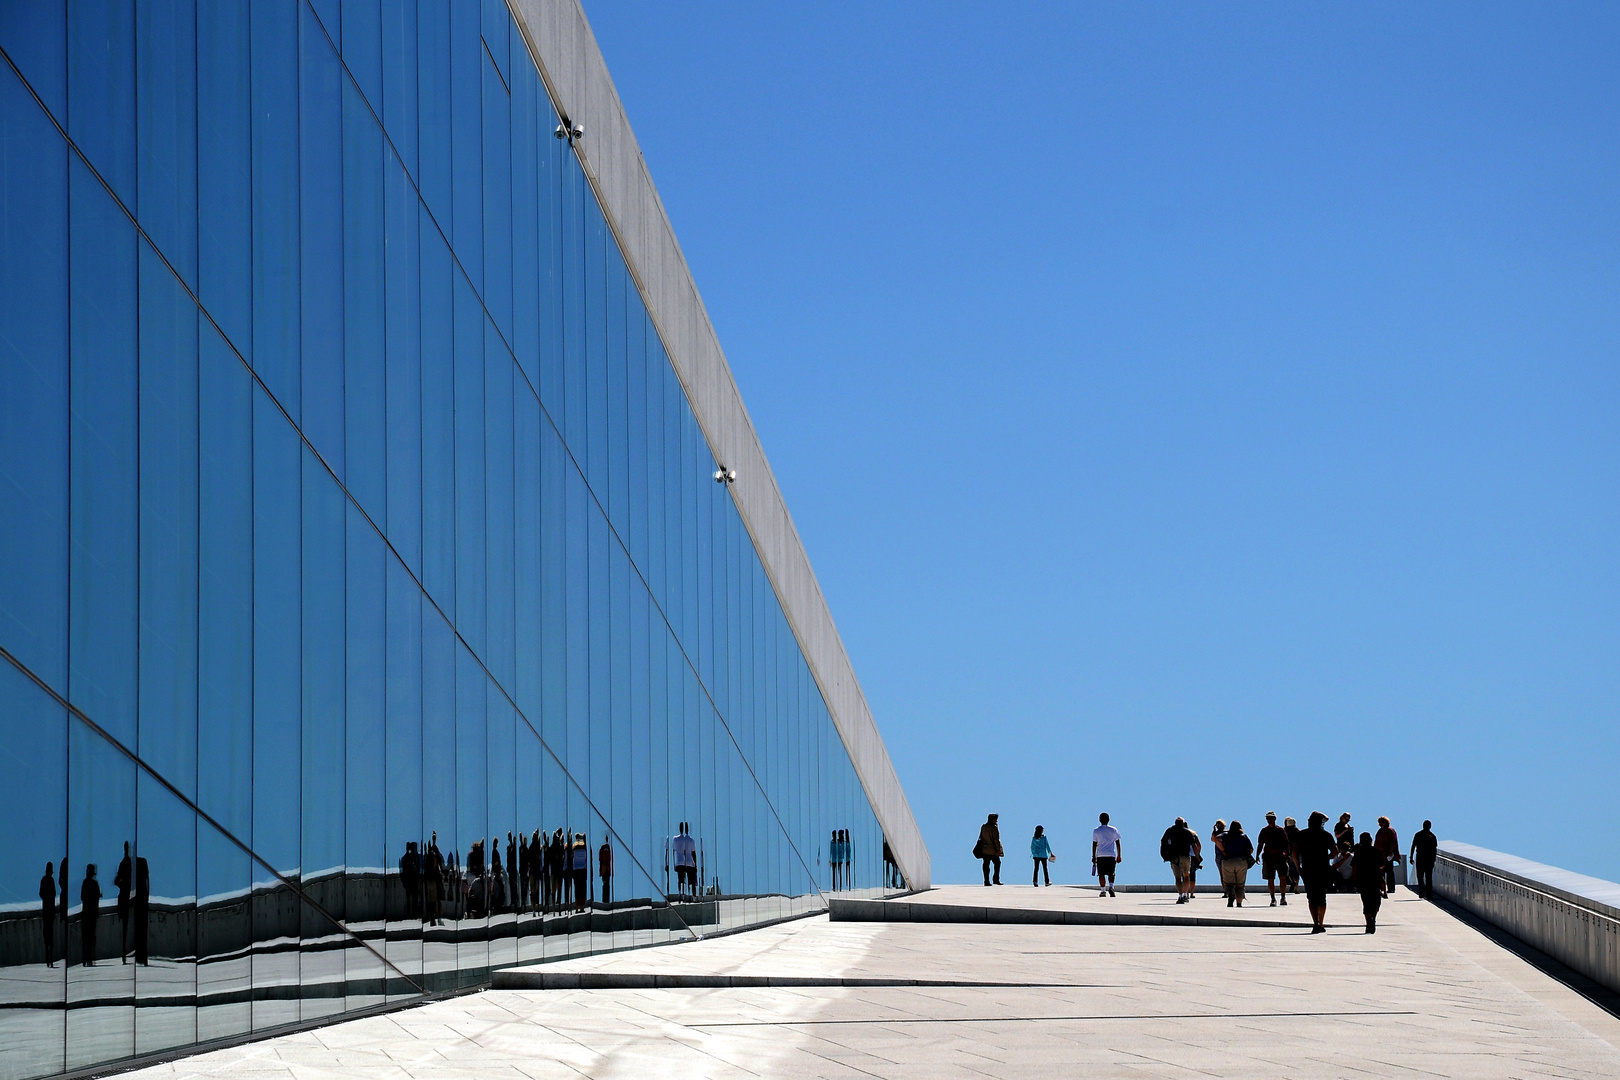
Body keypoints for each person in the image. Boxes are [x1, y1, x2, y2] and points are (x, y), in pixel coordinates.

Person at [1296, 811, 1337, 933]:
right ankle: (1321, 923)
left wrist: (1298, 867)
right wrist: (1327, 857)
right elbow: (1335, 853)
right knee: (1322, 897)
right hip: (1322, 868)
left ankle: (1315, 923)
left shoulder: (1301, 834)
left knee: (1311, 898)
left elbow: (1294, 851)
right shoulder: (1326, 835)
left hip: (1308, 869)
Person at [1159, 816, 1202, 903]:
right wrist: (1197, 857)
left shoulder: (1170, 831)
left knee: (1178, 878)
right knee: (1186, 876)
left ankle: (1180, 895)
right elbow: (1194, 845)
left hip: (1174, 857)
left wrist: (1165, 854)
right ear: (1183, 823)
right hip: (1185, 856)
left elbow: (1163, 841)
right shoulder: (1187, 832)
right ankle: (1185, 894)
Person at [1351, 832, 1385, 933]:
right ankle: (1373, 918)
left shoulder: (1358, 852)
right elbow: (1381, 866)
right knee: (1376, 902)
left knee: (1366, 902)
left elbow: (1354, 867)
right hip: (1374, 879)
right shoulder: (1376, 851)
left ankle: (1368, 922)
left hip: (1362, 880)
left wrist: (1354, 880)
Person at [1255, 812, 1291, 906]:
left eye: (1271, 818)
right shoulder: (1264, 831)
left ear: (1275, 819)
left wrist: (1288, 855)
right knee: (1270, 879)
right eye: (1268, 818)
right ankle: (1273, 899)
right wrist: (1257, 855)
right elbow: (1260, 844)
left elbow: (1286, 843)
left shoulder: (1280, 830)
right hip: (1268, 858)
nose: (1270, 820)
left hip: (1280, 857)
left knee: (1283, 878)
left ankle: (1283, 897)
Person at [1221, 820, 1253, 907]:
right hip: (1241, 861)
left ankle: (1231, 894)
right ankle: (1239, 903)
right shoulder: (1244, 837)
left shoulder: (1226, 835)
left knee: (1229, 883)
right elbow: (1251, 850)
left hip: (1228, 861)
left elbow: (1216, 839)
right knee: (1240, 884)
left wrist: (1223, 850)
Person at [1092, 813, 1121, 897]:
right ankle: (1111, 886)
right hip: (1111, 854)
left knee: (1101, 873)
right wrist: (1119, 855)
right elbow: (1118, 843)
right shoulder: (1113, 830)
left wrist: (1093, 856)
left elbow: (1094, 844)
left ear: (1099, 820)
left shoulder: (1096, 830)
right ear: (1108, 820)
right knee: (1111, 872)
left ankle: (1103, 890)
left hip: (1101, 855)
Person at [114, 841, 133, 964]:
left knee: (125, 925)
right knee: (125, 925)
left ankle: (124, 954)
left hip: (125, 896)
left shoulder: (125, 862)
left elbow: (117, 881)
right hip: (124, 897)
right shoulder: (126, 863)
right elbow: (117, 881)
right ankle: (124, 954)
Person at [1410, 820, 1438, 900]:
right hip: (1429, 860)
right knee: (1428, 877)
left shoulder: (1418, 835)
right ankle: (1429, 894)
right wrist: (1433, 860)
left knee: (1420, 876)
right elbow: (1434, 849)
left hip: (1420, 858)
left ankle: (1421, 892)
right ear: (1430, 826)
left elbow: (1413, 846)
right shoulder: (1432, 836)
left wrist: (1411, 857)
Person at [80, 864, 101, 966]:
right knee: (90, 937)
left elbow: (82, 897)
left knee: (86, 937)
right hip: (92, 914)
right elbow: (96, 898)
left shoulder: (85, 882)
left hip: (86, 913)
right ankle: (89, 959)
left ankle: (85, 958)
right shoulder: (94, 884)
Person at [1374, 817, 1400, 896]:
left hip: (1388, 855)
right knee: (1381, 872)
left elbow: (1393, 842)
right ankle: (1382, 887)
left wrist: (1390, 853)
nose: (1381, 824)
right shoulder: (1380, 831)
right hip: (1380, 855)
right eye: (1379, 822)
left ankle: (1391, 888)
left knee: (1389, 872)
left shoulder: (1390, 830)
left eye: (1382, 822)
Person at [975, 814, 1004, 886]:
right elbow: (996, 840)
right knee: (997, 863)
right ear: (992, 819)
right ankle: (996, 879)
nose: (997, 820)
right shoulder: (994, 828)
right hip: (993, 850)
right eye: (995, 819)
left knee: (986, 865)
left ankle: (986, 881)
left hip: (985, 849)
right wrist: (999, 850)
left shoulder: (983, 826)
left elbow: (981, 837)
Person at [132, 855, 150, 966]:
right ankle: (142, 958)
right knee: (142, 931)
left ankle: (141, 957)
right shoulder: (144, 883)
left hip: (139, 903)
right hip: (142, 902)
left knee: (139, 931)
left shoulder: (136, 864)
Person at [672, 823, 697, 897]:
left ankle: (681, 894)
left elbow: (674, 850)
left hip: (680, 862)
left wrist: (674, 864)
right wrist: (695, 864)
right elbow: (693, 853)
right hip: (689, 862)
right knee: (691, 881)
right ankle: (693, 896)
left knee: (680, 879)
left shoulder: (676, 839)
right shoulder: (691, 840)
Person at [425, 833, 445, 925]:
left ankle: (432, 917)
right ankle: (436, 916)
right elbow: (439, 862)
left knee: (431, 899)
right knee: (436, 899)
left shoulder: (430, 853)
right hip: (434, 878)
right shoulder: (435, 852)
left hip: (430, 878)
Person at [39, 862, 56, 968]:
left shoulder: (44, 880)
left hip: (46, 911)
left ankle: (48, 958)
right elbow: (53, 894)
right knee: (50, 934)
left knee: (47, 934)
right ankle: (50, 958)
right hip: (50, 911)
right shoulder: (50, 880)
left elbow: (41, 893)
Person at [401, 841, 422, 920]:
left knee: (410, 897)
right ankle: (412, 912)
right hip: (412, 881)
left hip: (410, 881)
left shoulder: (406, 858)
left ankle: (410, 913)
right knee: (412, 897)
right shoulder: (412, 858)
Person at [1209, 820, 1229, 901]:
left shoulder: (1223, 833)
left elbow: (1213, 839)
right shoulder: (1226, 833)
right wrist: (1214, 831)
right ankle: (1226, 891)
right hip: (1222, 854)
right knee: (1224, 874)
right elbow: (1212, 840)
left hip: (1221, 854)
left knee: (1223, 874)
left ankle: (1226, 891)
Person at [1282, 816, 1302, 895]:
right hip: (1298, 853)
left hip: (1288, 853)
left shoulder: (1285, 832)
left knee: (1289, 869)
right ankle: (1296, 888)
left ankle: (1292, 881)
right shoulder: (1298, 832)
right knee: (1297, 869)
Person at [570, 832, 589, 909]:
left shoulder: (574, 849)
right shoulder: (584, 849)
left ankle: (578, 904)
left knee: (577, 888)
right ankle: (582, 905)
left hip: (576, 870)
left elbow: (572, 859)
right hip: (583, 870)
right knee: (582, 888)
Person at [598, 839, 613, 905]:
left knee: (605, 884)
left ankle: (605, 900)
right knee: (607, 884)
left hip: (604, 869)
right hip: (607, 869)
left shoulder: (602, 849)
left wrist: (600, 872)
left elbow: (600, 860)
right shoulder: (609, 849)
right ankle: (606, 900)